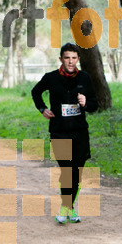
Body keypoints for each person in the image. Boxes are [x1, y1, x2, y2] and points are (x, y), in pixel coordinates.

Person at [31, 42, 99, 224]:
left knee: (77, 171)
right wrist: (42, 109)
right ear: (61, 59)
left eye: (74, 58)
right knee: (66, 170)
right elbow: (35, 92)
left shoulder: (84, 78)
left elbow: (95, 104)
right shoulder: (51, 78)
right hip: (59, 131)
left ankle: (69, 207)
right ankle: (65, 207)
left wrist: (86, 102)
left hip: (80, 132)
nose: (70, 62)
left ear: (78, 59)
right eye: (67, 58)